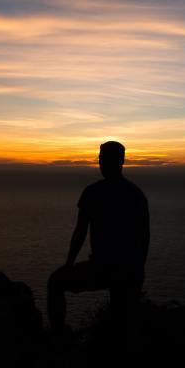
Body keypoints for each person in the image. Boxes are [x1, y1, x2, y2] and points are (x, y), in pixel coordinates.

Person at [48, 141, 149, 333]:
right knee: (122, 321)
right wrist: (139, 270)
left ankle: (57, 339)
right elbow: (144, 238)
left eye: (102, 158)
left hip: (103, 268)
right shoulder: (137, 195)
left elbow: (80, 232)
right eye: (100, 158)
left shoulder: (93, 192)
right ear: (122, 161)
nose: (100, 163)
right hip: (129, 270)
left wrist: (69, 264)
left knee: (55, 282)